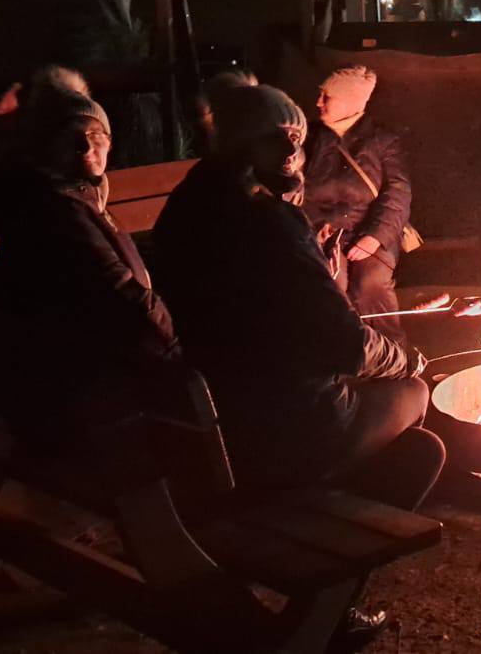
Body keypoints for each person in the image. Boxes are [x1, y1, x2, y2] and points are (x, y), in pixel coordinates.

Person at [152, 82, 442, 647]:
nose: (290, 151)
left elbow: (268, 309)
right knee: (414, 397)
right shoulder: (267, 220)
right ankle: (324, 597)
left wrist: (317, 270)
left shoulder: (189, 204)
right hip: (278, 424)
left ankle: (325, 590)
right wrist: (406, 358)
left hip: (212, 414)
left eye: (297, 137)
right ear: (240, 140)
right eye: (276, 137)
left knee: (414, 444)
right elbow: (343, 345)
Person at [0, 70, 180, 438]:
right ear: (49, 147)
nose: (87, 148)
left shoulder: (79, 195)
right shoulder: (57, 208)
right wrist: (176, 349)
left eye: (96, 136)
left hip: (86, 362)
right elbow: (119, 290)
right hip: (78, 377)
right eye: (72, 137)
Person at [301, 65, 414, 341]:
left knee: (371, 285)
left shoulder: (382, 140)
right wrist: (308, 229)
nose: (318, 102)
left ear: (350, 101)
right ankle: (337, 354)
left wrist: (375, 237)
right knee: (330, 284)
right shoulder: (309, 138)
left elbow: (398, 193)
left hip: (369, 231)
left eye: (327, 97)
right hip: (320, 232)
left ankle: (390, 353)